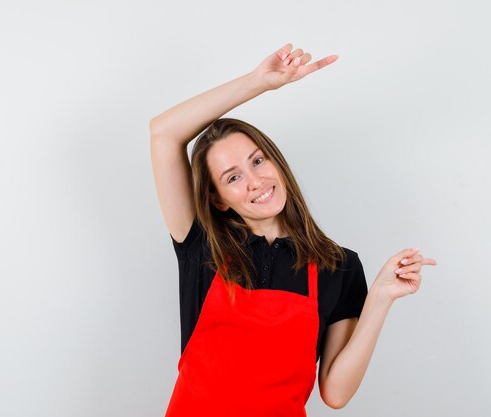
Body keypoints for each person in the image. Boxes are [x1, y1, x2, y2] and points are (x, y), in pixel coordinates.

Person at [149, 43, 437, 416]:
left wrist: (379, 299)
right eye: (233, 177)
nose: (255, 181)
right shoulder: (201, 245)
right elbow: (163, 134)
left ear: (276, 162)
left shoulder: (340, 266)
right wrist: (257, 83)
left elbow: (335, 392)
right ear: (218, 199)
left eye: (258, 161)